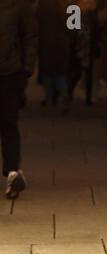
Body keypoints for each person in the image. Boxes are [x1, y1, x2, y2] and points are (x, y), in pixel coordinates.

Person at [0, 0, 38, 199]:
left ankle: (13, 172)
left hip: (9, 73)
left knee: (8, 122)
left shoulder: (18, 5)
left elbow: (30, 36)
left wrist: (26, 68)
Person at [37, 0, 71, 108]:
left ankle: (49, 99)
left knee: (47, 74)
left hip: (45, 44)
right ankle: (64, 94)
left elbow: (36, 25)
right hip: (61, 44)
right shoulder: (65, 7)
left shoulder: (42, 7)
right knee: (59, 74)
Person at [67, 0, 101, 106]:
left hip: (89, 49)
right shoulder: (74, 15)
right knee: (76, 73)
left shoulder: (92, 15)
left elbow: (96, 31)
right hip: (77, 49)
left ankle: (88, 97)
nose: (87, 5)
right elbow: (71, 33)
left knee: (89, 75)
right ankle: (69, 92)